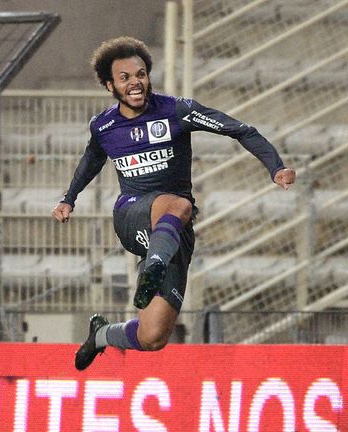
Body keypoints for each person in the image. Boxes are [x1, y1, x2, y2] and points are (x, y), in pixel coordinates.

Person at [51, 37, 296, 371]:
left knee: (154, 336)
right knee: (179, 204)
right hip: (132, 213)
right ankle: (153, 267)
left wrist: (276, 167)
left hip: (172, 232)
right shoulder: (104, 126)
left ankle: (102, 335)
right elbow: (91, 159)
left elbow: (241, 130)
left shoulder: (178, 110)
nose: (134, 81)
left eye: (140, 74)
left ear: (148, 76)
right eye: (124, 77)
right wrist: (69, 199)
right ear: (110, 85)